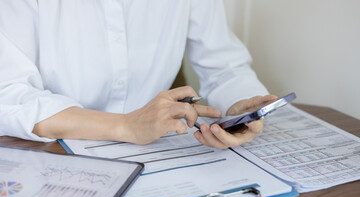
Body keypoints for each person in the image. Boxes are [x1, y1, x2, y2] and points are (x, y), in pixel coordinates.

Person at [0, 0, 276, 149]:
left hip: (159, 152)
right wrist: (126, 126)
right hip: (47, 154)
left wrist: (240, 109)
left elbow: (225, 67)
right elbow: (8, 94)